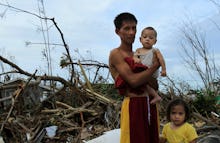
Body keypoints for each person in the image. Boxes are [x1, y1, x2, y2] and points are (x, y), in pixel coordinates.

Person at [109, 12, 160, 143]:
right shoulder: (116, 53)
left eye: (134, 28)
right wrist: (154, 67)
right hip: (134, 106)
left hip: (149, 104)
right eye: (126, 28)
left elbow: (155, 85)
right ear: (117, 31)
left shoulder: (139, 54)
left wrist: (146, 68)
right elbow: (133, 81)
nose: (131, 32)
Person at [133, 26, 167, 104]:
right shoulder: (138, 50)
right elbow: (133, 57)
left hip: (151, 74)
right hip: (143, 73)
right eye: (145, 37)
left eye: (151, 38)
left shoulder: (155, 50)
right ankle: (150, 97)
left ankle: (156, 96)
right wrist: (135, 58)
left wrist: (164, 70)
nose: (147, 39)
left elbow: (161, 60)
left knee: (144, 83)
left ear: (155, 41)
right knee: (141, 84)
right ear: (140, 39)